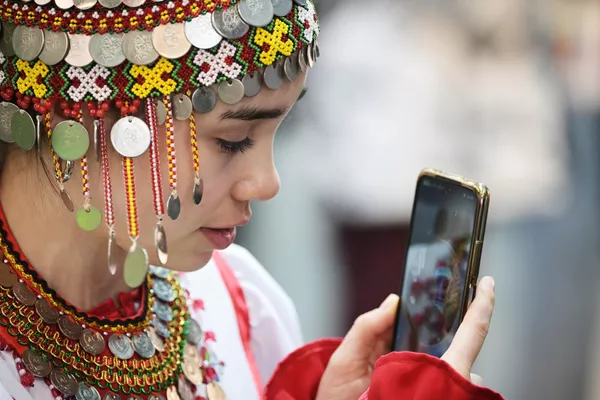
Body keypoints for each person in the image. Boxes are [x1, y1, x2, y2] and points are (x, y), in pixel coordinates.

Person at [0, 0, 504, 399]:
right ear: (88, 113)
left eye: (276, 134)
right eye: (234, 141)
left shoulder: (235, 298)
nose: (266, 183)